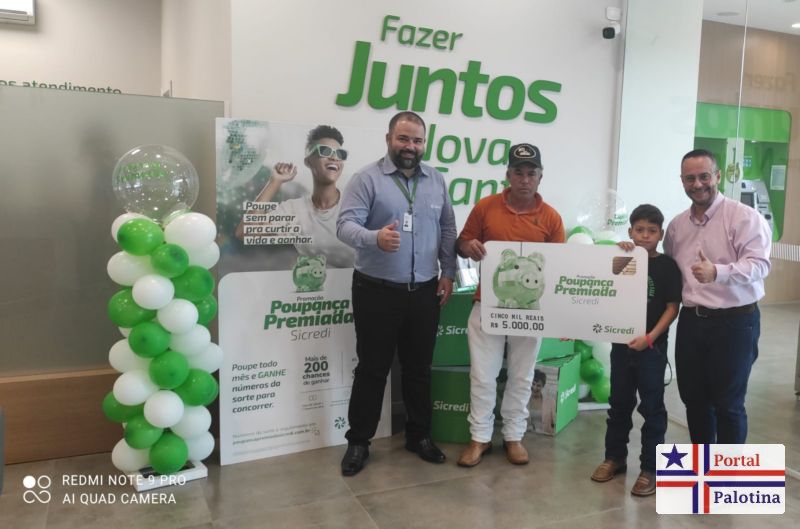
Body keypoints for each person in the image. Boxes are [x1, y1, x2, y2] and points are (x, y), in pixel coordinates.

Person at [336, 111, 457, 476]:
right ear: (389, 139)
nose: (410, 146)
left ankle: (419, 436)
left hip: (424, 291)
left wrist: (448, 272)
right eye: (403, 138)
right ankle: (359, 442)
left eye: (417, 140)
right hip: (376, 290)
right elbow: (345, 225)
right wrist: (374, 237)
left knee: (418, 369)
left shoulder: (436, 180)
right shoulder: (366, 179)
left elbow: (448, 228)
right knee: (372, 369)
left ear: (425, 143)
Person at [455, 143, 565, 467]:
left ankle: (514, 436)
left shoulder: (551, 218)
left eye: (531, 173)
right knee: (482, 375)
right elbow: (462, 243)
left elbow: (559, 268)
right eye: (518, 172)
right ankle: (479, 438)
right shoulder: (486, 207)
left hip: (531, 311)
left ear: (540, 177)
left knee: (522, 375)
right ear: (508, 175)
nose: (524, 179)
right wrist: (469, 246)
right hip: (488, 304)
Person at [663, 149, 771, 444]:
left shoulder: (744, 218)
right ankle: (703, 465)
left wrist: (718, 273)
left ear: (718, 176)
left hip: (734, 323)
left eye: (704, 176)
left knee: (728, 405)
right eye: (690, 178)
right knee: (694, 400)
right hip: (691, 322)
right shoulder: (676, 227)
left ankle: (727, 471)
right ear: (682, 181)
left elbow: (760, 265)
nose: (697, 184)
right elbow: (669, 269)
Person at [590, 204, 681, 497]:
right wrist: (619, 252)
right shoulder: (623, 258)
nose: (645, 236)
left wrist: (650, 338)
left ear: (661, 235)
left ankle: (650, 468)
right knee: (618, 403)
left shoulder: (667, 266)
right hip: (621, 346)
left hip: (651, 349)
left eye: (651, 231)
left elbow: (672, 307)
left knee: (652, 408)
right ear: (630, 231)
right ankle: (614, 457)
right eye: (639, 230)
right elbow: (605, 290)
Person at [236, 124, 355, 268]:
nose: (334, 158)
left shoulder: (356, 204)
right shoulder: (294, 210)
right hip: (317, 281)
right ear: (308, 161)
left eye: (340, 154)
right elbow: (245, 232)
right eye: (325, 151)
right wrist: (275, 182)